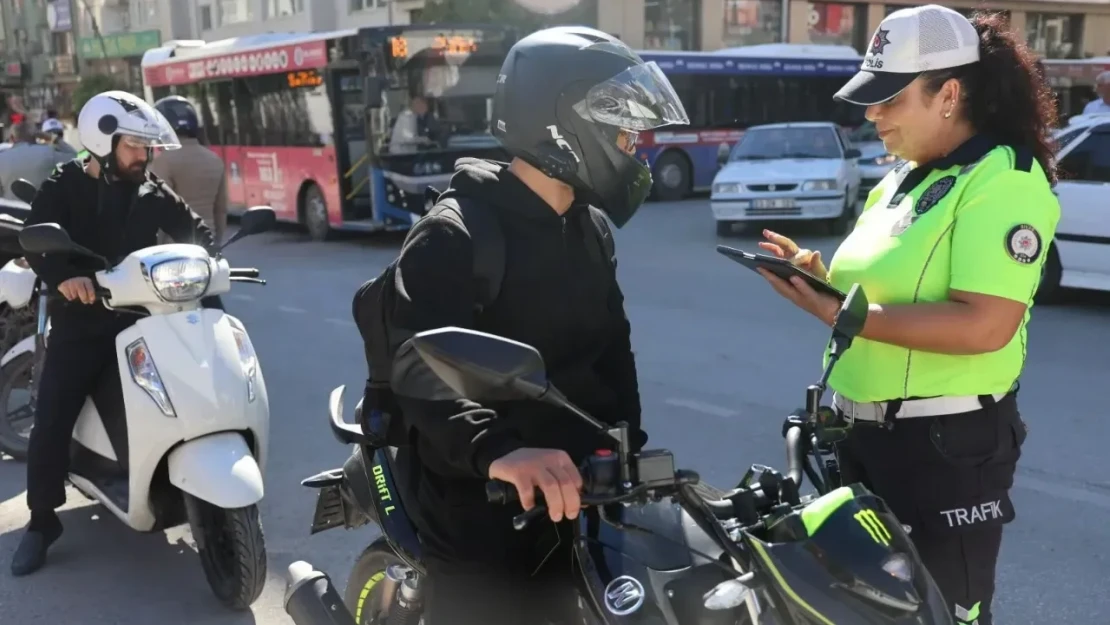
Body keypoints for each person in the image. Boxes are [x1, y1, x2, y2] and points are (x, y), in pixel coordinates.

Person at [755, 7, 1057, 625]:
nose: (873, 115)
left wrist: (848, 313)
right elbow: (878, 291)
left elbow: (984, 326)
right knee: (858, 609)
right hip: (857, 437)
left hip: (941, 451)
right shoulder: (897, 183)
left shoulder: (1005, 179)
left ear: (948, 94)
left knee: (941, 614)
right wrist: (820, 275)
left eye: (889, 99)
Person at [385, 27, 687, 624]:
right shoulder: (454, 235)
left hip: (582, 488)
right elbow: (420, 369)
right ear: (558, 120)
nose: (634, 140)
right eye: (619, 122)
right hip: (482, 499)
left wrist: (630, 448)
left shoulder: (589, 229)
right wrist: (500, 452)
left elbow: (612, 348)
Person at [10, 90, 215, 577]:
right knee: (54, 412)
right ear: (104, 142)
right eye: (134, 147)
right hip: (82, 321)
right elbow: (35, 238)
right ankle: (41, 522)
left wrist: (212, 260)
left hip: (143, 316)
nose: (143, 157)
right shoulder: (66, 184)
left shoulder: (149, 188)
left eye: (147, 148)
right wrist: (64, 276)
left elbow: (195, 231)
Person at [150, 95, 229, 245]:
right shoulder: (215, 160)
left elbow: (160, 211)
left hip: (174, 250)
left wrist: (154, 248)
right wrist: (216, 245)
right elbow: (221, 210)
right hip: (206, 244)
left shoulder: (164, 161)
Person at [0, 122, 71, 200]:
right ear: (35, 137)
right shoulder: (47, 152)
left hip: (11, 210)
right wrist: (52, 138)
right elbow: (72, 155)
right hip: (41, 208)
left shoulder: (2, 158)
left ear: (12, 138)